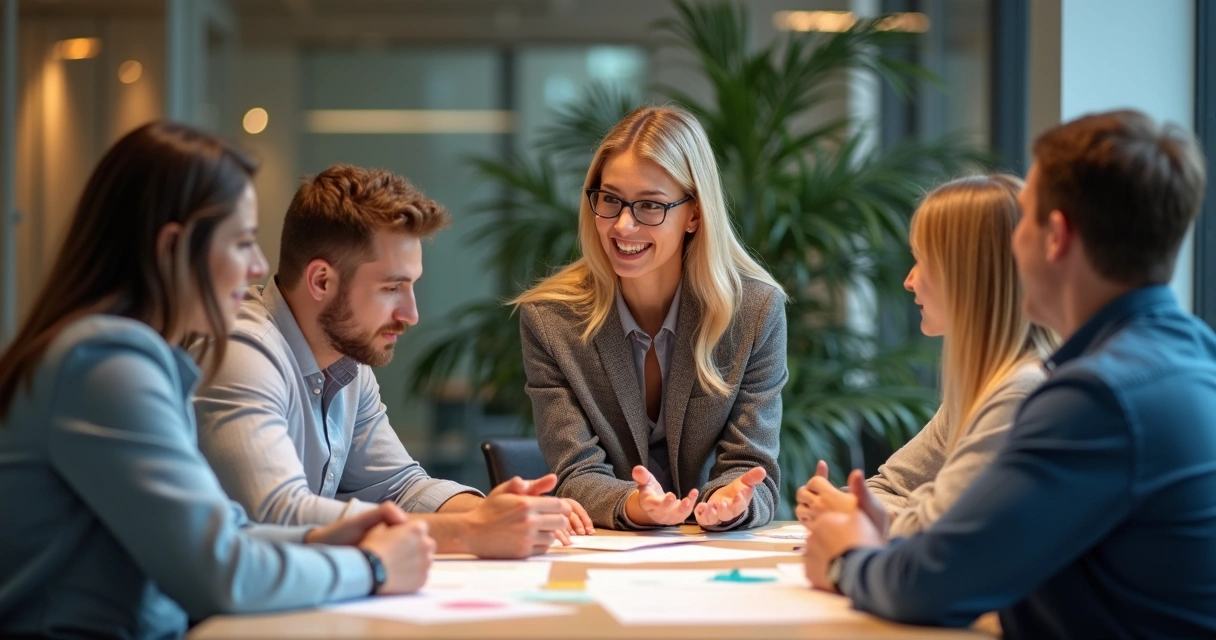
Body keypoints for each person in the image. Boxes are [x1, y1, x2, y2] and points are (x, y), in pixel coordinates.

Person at [0, 122, 434, 639]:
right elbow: (220, 573)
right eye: (243, 242)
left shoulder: (127, 358)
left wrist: (327, 539)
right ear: (174, 248)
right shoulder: (105, 366)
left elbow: (224, 534)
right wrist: (374, 567)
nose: (258, 265)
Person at [802, 109, 1216, 638]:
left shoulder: (1094, 400)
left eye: (1022, 220)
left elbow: (935, 582)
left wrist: (846, 559)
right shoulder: (1192, 357)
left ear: (1055, 237)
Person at [194, 164, 583, 559]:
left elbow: (400, 486)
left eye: (410, 286)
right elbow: (278, 514)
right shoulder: (240, 353)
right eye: (391, 287)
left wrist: (498, 512)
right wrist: (469, 531)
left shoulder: (346, 360)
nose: (410, 314)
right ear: (321, 281)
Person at [516, 105, 787, 531]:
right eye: (610, 199)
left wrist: (730, 502)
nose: (623, 225)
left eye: (650, 205)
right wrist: (637, 506)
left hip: (714, 550)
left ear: (694, 214)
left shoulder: (754, 312)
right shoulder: (551, 319)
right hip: (609, 550)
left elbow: (752, 466)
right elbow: (576, 471)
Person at [797, 174, 1056, 538]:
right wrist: (848, 505)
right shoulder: (982, 386)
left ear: (967, 273)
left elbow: (944, 530)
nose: (909, 280)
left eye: (922, 260)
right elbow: (891, 487)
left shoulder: (1019, 393)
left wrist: (851, 510)